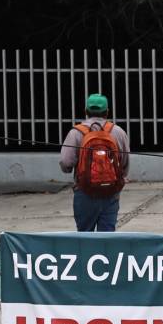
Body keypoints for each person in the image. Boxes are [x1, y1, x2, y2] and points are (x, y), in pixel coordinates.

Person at [61, 94, 130, 232]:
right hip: (110, 192)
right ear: (107, 112)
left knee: (85, 237)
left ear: (86, 111)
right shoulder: (117, 132)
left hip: (84, 192)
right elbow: (124, 163)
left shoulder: (75, 133)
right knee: (107, 239)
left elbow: (65, 162)